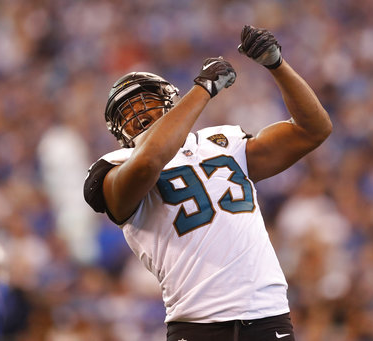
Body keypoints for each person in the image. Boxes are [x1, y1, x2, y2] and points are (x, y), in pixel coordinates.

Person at [84, 25, 332, 341]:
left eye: (145, 101)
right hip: (197, 324)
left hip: (268, 315)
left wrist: (277, 65)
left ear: (168, 102)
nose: (140, 114)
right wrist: (203, 88)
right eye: (128, 112)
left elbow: (313, 130)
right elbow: (149, 161)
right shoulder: (113, 166)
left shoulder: (222, 141)